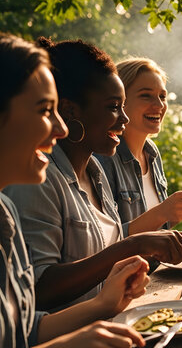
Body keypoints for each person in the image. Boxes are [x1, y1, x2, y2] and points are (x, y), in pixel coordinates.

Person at [4, 38, 182, 311]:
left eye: (123, 106)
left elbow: (103, 263)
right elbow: (37, 293)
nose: (124, 118)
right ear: (71, 111)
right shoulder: (38, 179)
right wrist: (134, 245)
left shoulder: (94, 170)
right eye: (113, 106)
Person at [0, 32, 149, 348]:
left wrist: (103, 305)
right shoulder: (30, 189)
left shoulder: (5, 212)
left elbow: (23, 328)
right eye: (44, 110)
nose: (61, 128)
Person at [96, 58, 182, 237]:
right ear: (120, 101)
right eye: (146, 95)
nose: (159, 105)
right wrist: (163, 211)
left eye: (162, 96)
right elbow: (106, 239)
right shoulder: (103, 159)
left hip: (157, 263)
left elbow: (158, 226)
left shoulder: (151, 152)